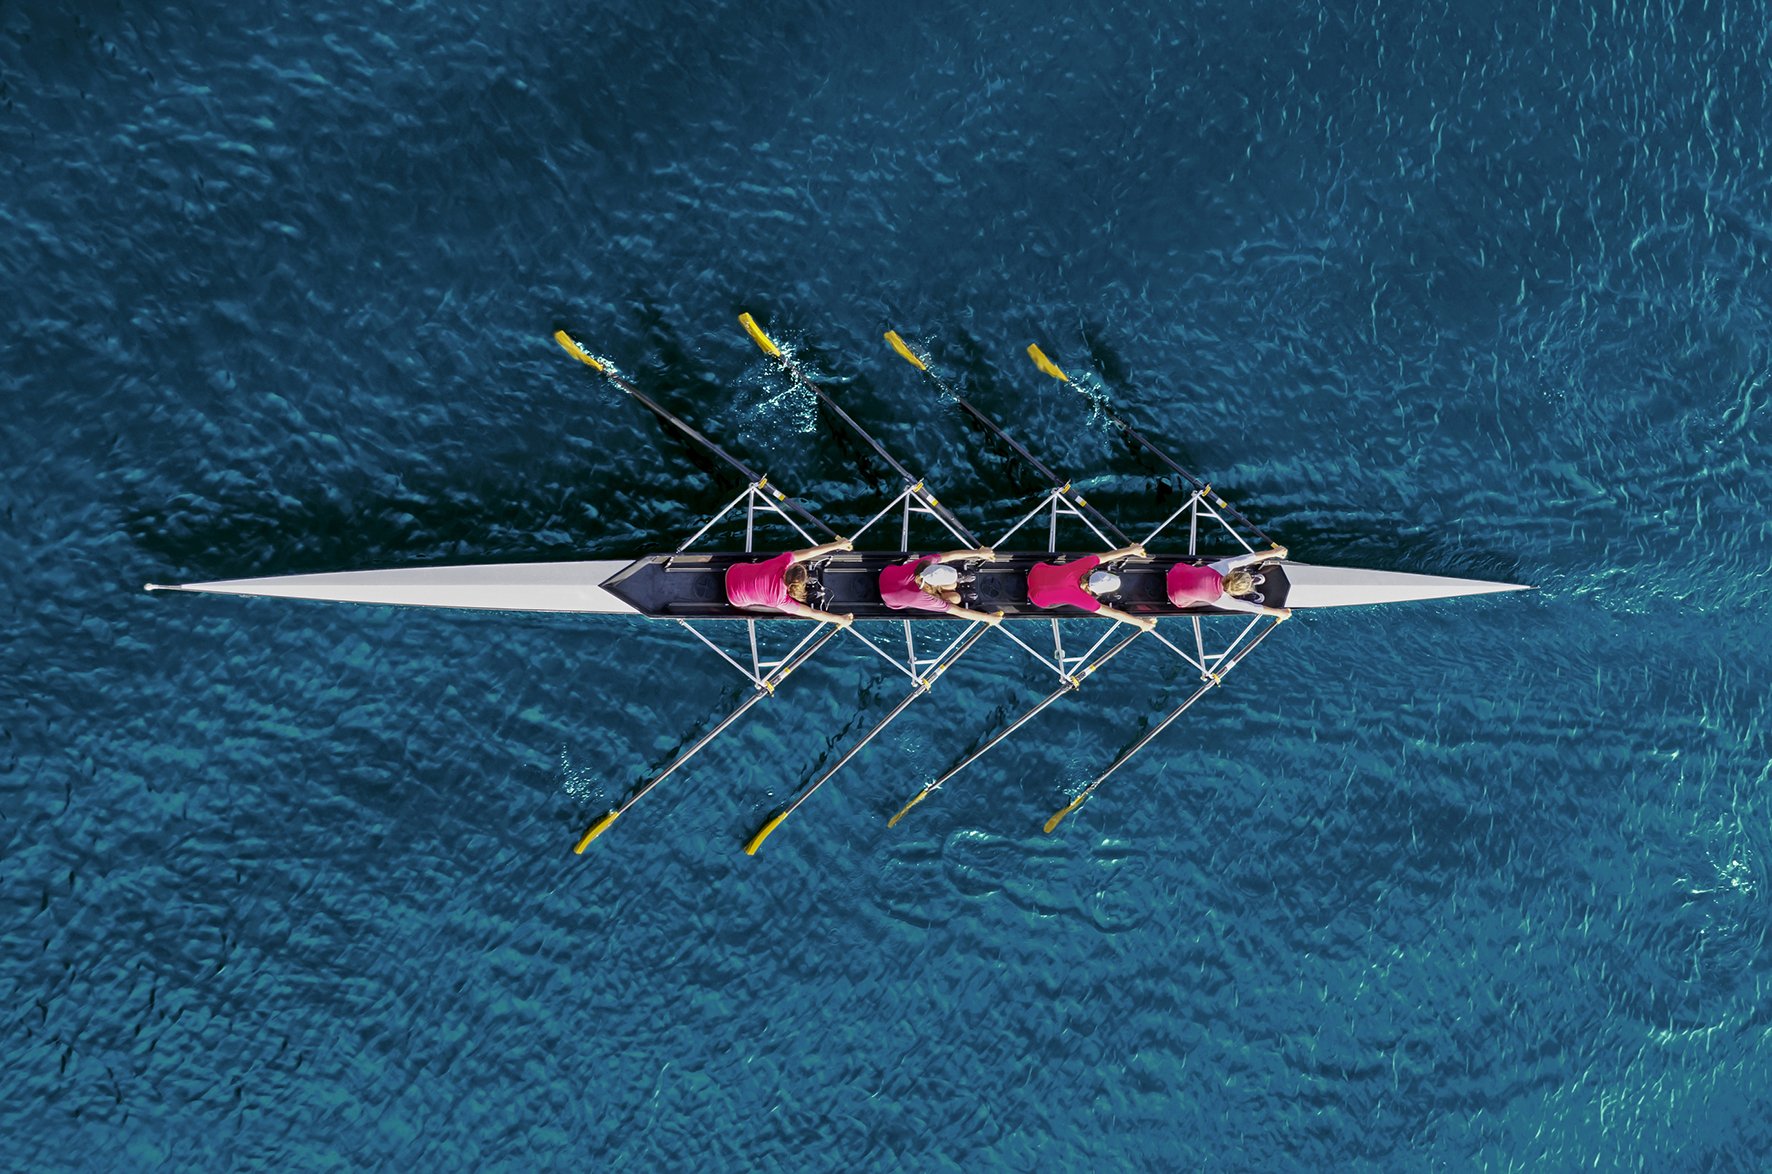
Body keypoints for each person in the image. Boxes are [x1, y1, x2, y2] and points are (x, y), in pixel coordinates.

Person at [1025, 543, 1157, 630]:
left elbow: (1106, 556)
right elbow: (1115, 613)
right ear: (1094, 592)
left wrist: (1130, 550)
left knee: (1061, 574)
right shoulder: (1085, 599)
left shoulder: (1086, 564)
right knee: (1068, 600)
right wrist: (1142, 624)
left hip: (1035, 570)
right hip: (1036, 599)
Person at [725, 538, 856, 625]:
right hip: (734, 599)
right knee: (781, 608)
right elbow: (812, 613)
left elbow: (809, 552)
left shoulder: (782, 562)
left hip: (732, 570)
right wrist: (840, 619)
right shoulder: (781, 600)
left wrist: (838, 545)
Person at [878, 548, 1004, 625]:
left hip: (887, 573)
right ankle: (957, 584)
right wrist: (988, 618)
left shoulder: (923, 565)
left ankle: (956, 581)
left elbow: (949, 556)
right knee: (955, 599)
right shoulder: (923, 598)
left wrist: (979, 553)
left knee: (953, 588)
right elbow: (958, 611)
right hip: (890, 601)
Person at [1165, 545, 1291, 618]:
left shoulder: (1222, 568)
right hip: (1175, 598)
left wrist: (1274, 552)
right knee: (1208, 602)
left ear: (1234, 573)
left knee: (1202, 574)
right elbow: (1253, 608)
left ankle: (1250, 581)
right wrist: (1279, 613)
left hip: (1174, 572)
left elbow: (1247, 558)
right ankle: (1250, 587)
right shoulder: (1221, 600)